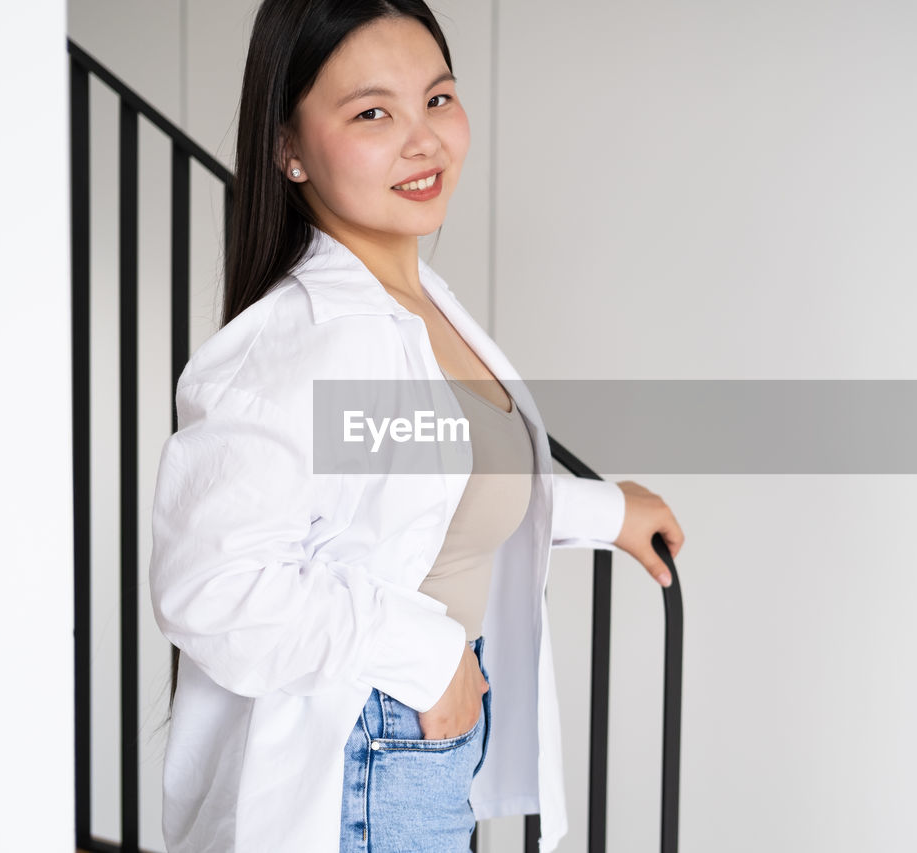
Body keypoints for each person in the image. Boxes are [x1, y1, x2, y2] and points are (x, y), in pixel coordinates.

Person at [147, 1, 685, 851]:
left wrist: (605, 512)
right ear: (288, 148)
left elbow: (434, 485)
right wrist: (428, 657)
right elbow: (211, 583)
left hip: (415, 744)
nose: (423, 140)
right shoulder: (307, 337)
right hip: (368, 756)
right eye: (372, 113)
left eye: (437, 99)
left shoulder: (416, 307)